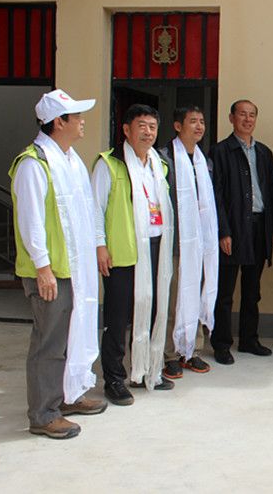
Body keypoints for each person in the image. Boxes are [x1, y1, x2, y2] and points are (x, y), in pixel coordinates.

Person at [10, 89, 106, 439]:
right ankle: (43, 414)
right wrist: (43, 268)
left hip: (73, 267)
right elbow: (31, 221)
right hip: (51, 271)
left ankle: (68, 394)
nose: (82, 122)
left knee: (70, 335)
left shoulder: (70, 159)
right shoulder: (34, 163)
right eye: (76, 116)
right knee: (48, 342)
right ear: (58, 122)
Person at [92, 104, 175, 406]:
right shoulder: (110, 163)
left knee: (152, 311)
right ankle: (114, 378)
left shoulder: (158, 164)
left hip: (154, 249)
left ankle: (146, 370)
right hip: (122, 253)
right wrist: (100, 245)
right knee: (118, 318)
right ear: (126, 130)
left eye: (153, 127)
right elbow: (95, 208)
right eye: (142, 126)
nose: (148, 132)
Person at [210, 100, 273, 365]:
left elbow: (272, 192)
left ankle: (249, 339)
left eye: (252, 115)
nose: (247, 119)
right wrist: (223, 231)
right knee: (225, 292)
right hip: (234, 228)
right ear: (231, 118)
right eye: (242, 114)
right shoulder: (220, 151)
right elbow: (215, 195)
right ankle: (221, 344)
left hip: (259, 227)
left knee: (253, 290)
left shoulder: (264, 152)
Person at [159, 107, 218, 379]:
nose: (199, 126)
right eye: (192, 121)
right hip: (175, 242)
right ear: (177, 126)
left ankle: (192, 350)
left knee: (196, 293)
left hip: (200, 242)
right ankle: (170, 353)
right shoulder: (164, 158)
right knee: (174, 298)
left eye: (202, 122)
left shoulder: (204, 161)